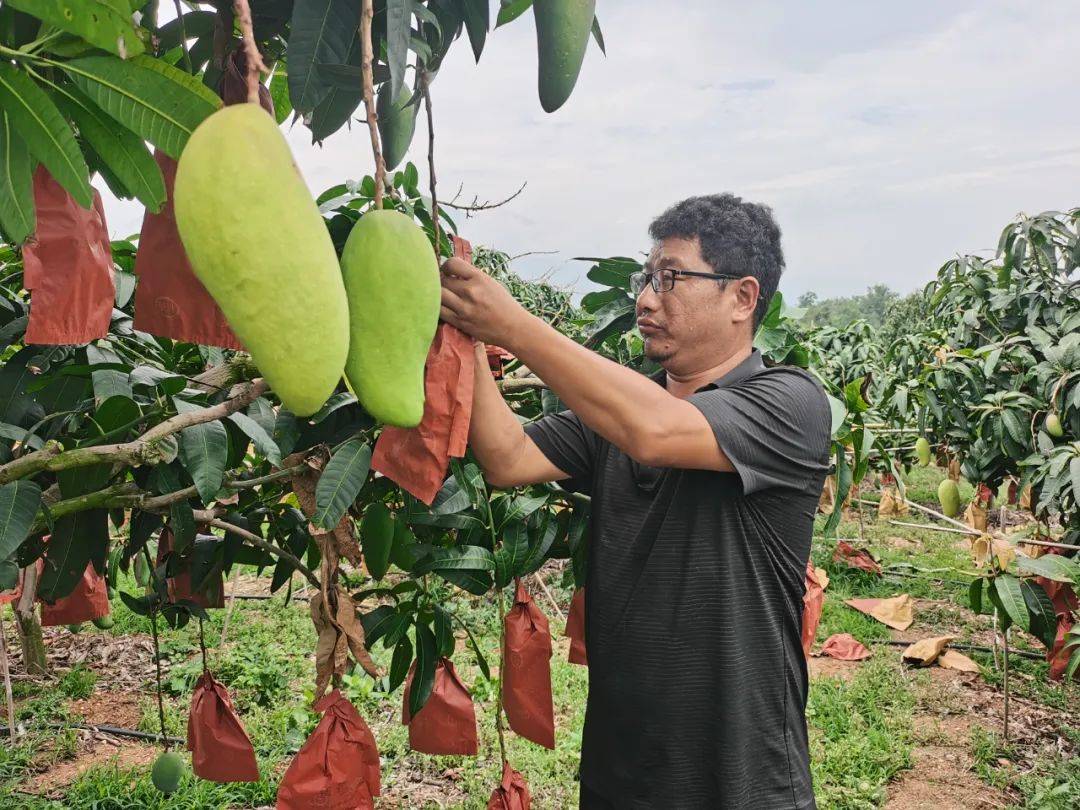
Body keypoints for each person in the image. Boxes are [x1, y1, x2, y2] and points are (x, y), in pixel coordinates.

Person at [439, 194, 830, 809]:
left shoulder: (789, 401)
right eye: (646, 278)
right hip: (620, 769)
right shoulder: (616, 415)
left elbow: (657, 432)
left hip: (741, 778)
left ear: (743, 298)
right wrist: (464, 336)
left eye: (670, 278)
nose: (646, 299)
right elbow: (506, 457)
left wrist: (510, 323)